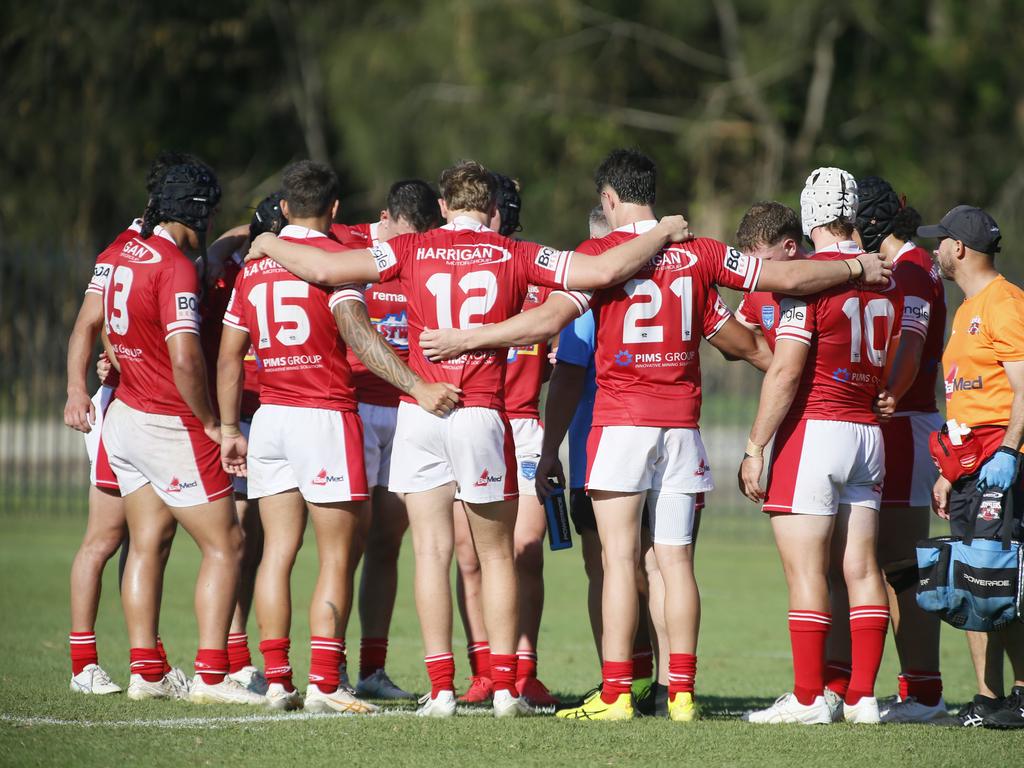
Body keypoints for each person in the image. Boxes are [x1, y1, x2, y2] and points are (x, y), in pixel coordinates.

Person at [417, 151, 891, 722]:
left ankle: (618, 694)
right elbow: (784, 282)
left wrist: (469, 338)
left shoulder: (596, 256)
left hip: (621, 425)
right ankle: (683, 694)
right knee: (676, 565)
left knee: (618, 562)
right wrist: (855, 269)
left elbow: (545, 326)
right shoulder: (702, 253)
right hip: (683, 428)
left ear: (610, 200)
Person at [244, 158, 697, 718]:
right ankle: (505, 687)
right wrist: (661, 231)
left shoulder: (411, 249)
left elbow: (322, 268)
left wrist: (268, 241)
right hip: (482, 412)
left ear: (441, 206)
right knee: (497, 555)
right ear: (493, 210)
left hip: (420, 411)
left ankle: (439, 690)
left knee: (432, 553)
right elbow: (602, 273)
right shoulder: (514, 252)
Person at [218, 161, 456, 713]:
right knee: (336, 553)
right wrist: (417, 386)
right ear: (333, 210)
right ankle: (326, 681)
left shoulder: (255, 271)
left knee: (277, 551)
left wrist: (231, 427)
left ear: (282, 209)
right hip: (324, 415)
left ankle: (277, 680)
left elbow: (230, 356)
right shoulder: (332, 262)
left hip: (271, 415)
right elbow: (359, 335)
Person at [95, 161, 264, 705]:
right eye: (211, 212)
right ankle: (213, 676)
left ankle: (146, 670)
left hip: (125, 416)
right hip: (170, 421)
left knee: (148, 542)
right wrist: (214, 422)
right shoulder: (175, 267)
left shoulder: (124, 249)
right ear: (196, 212)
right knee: (227, 543)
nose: (213, 222)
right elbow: (187, 358)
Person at [739, 167, 901, 725]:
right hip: (867, 434)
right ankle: (862, 698)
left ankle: (808, 698)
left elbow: (785, 372)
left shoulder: (808, 275)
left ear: (809, 217)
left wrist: (756, 445)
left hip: (817, 429)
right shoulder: (887, 276)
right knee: (861, 569)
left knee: (806, 573)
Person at [450, 173, 559, 707]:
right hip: (474, 417)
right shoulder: (453, 267)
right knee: (469, 555)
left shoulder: (533, 271)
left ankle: (523, 667)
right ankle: (484, 670)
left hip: (524, 424)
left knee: (525, 550)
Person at [919, 205, 1024, 729]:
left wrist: (1008, 453)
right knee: (970, 583)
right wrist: (950, 471)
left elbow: (1023, 390)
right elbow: (967, 402)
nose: (934, 248)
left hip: (1004, 466)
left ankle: (1022, 697)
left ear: (958, 248)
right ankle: (988, 700)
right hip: (968, 468)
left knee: (1003, 580)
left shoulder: (1005, 303)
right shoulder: (965, 309)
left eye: (939, 240)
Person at [340, 179, 442, 700]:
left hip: (405, 411)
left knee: (387, 541)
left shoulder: (432, 250)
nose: (412, 247)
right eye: (406, 235)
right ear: (386, 219)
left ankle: (371, 670)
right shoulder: (348, 243)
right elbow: (285, 228)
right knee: (346, 541)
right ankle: (327, 664)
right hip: (355, 406)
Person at [856, 178, 948, 722]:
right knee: (894, 564)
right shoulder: (912, 264)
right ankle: (914, 689)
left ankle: (926, 692)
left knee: (903, 564)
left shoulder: (911, 268)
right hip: (903, 421)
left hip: (906, 422)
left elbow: (910, 343)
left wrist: (887, 390)